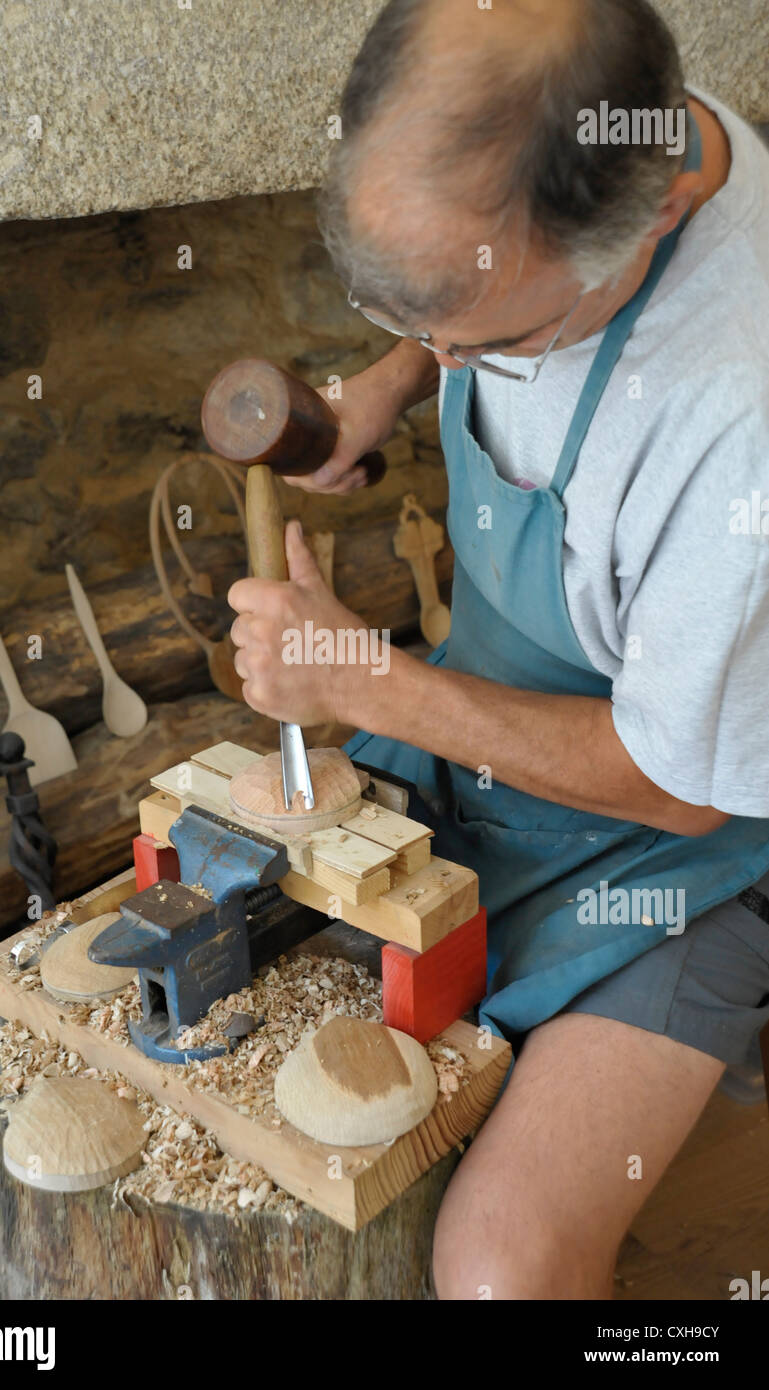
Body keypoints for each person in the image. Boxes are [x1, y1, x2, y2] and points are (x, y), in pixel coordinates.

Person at [227, 0, 769, 1298]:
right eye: (424, 326)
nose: (452, 362)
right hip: (480, 735)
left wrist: (364, 677)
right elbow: (466, 274)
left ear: (644, 219)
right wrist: (386, 383)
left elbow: (677, 786)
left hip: (669, 852)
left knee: (502, 1270)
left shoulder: (739, 421)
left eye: (490, 345)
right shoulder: (628, 120)